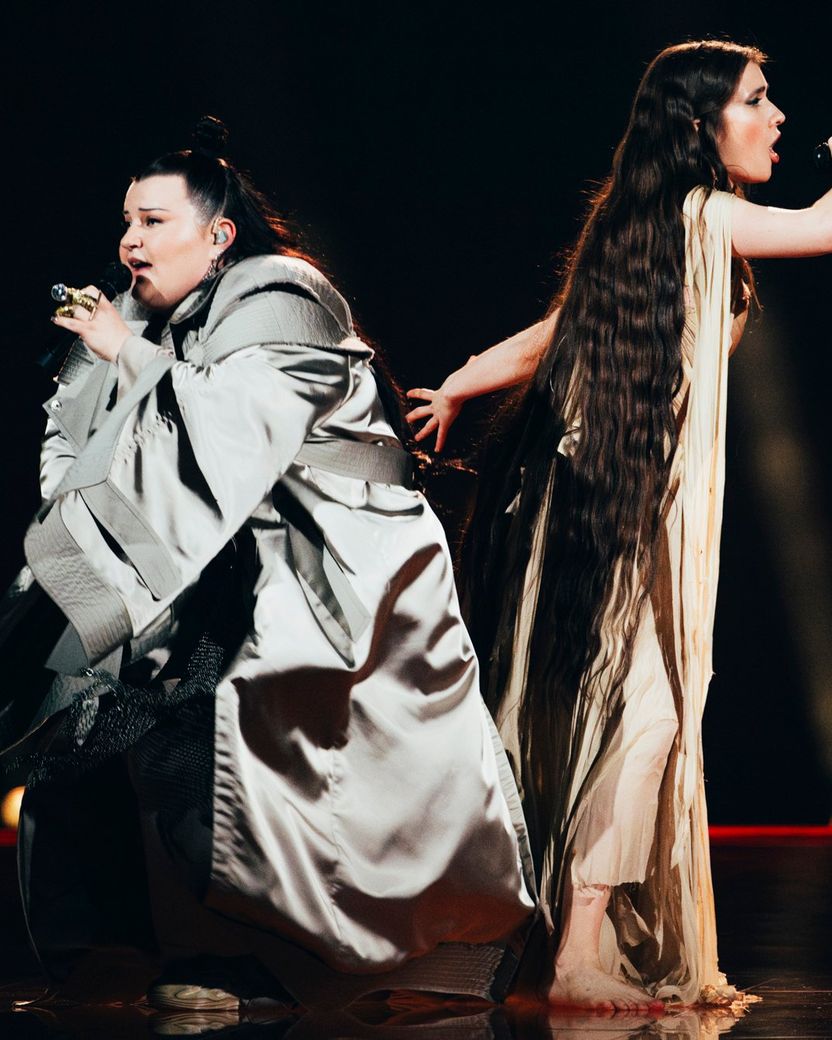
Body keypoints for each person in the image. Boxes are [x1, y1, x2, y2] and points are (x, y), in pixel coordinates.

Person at [0, 116, 536, 1012]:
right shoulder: (141, 315)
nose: (131, 242)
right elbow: (79, 449)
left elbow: (232, 430)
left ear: (219, 235)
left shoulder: (282, 291)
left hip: (336, 563)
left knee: (223, 723)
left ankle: (264, 957)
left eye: (154, 221)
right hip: (215, 560)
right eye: (127, 221)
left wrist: (123, 354)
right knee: (87, 708)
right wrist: (96, 374)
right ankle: (115, 952)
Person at [407, 41, 832, 1010]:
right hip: (617, 511)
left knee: (628, 717)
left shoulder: (650, 223)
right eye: (757, 101)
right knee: (640, 718)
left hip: (610, 505)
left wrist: (465, 379)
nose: (776, 118)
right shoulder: (701, 213)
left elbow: (560, 330)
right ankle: (574, 956)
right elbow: (822, 227)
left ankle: (570, 944)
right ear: (700, 125)